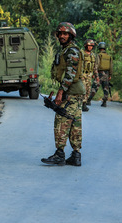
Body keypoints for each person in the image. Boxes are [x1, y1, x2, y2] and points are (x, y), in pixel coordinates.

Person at [41, 22, 85, 166]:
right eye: (60, 34)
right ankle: (76, 155)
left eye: (65, 34)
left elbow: (70, 74)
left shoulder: (71, 51)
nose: (62, 36)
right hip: (75, 91)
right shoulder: (67, 51)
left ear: (71, 35)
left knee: (62, 120)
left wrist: (61, 92)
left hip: (70, 92)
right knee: (74, 123)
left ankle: (60, 154)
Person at [87, 42, 113, 107]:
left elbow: (96, 65)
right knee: (106, 88)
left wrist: (94, 74)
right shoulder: (109, 56)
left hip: (99, 74)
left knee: (94, 87)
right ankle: (104, 102)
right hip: (106, 74)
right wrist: (110, 75)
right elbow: (111, 66)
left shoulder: (99, 55)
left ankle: (88, 100)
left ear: (99, 48)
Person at [81, 39, 99, 111]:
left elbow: (95, 67)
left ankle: (84, 103)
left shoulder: (93, 56)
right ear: (86, 45)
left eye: (91, 46)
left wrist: (96, 76)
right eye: (89, 46)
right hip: (82, 74)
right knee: (83, 89)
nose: (90, 47)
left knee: (88, 90)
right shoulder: (81, 53)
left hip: (89, 75)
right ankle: (81, 103)